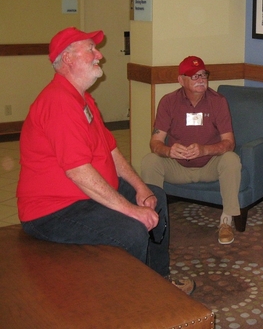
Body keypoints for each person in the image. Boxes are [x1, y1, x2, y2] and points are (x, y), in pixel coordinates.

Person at [16, 27, 195, 295]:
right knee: (132, 229)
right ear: (68, 58)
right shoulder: (58, 103)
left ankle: (160, 285)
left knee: (155, 196)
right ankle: (135, 301)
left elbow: (111, 151)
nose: (98, 54)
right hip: (53, 210)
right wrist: (131, 210)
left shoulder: (83, 99)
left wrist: (140, 187)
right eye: (90, 49)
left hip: (84, 195)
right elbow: (78, 172)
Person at [141, 56, 241, 245]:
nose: (201, 79)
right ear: (181, 80)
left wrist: (205, 150)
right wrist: (169, 151)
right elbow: (155, 142)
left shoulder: (218, 101)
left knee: (231, 159)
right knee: (149, 161)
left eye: (203, 75)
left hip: (209, 165)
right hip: (177, 167)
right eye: (194, 76)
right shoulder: (168, 102)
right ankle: (152, 219)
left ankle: (227, 220)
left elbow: (229, 143)